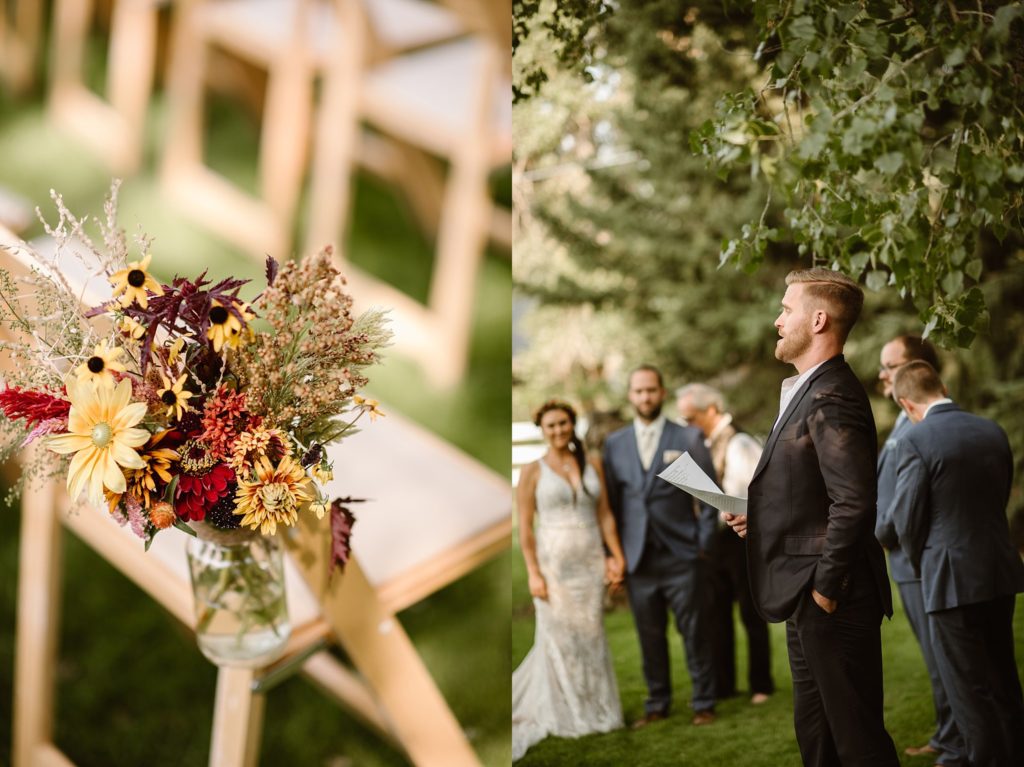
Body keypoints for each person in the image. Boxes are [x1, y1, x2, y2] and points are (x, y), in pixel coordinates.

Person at [723, 267, 899, 767]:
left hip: (833, 597)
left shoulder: (832, 395)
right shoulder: (809, 388)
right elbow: (814, 493)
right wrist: (762, 519)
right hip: (810, 595)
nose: (777, 320)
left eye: (786, 309)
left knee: (858, 743)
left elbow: (854, 502)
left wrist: (825, 589)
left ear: (818, 320)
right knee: (818, 741)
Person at [888, 361, 1024, 767]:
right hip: (998, 569)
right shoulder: (992, 430)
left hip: (948, 579)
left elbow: (906, 521)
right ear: (943, 387)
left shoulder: (914, 439)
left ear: (906, 404)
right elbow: (1000, 494)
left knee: (967, 690)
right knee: (1003, 678)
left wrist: (924, 562)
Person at [603, 365, 718, 728]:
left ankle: (704, 702)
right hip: (638, 558)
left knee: (695, 633)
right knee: (649, 636)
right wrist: (614, 554)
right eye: (638, 391)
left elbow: (710, 499)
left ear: (662, 393)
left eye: (651, 390)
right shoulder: (614, 444)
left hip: (682, 555)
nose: (645, 397)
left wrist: (703, 545)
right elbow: (611, 506)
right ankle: (657, 702)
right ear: (630, 396)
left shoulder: (687, 437)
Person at [512, 400, 627, 760]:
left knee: (591, 637)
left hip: (590, 562)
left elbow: (605, 515)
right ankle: (570, 712)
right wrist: (533, 572)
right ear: (542, 430)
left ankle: (599, 708)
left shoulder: (591, 463)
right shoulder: (532, 471)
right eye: (551, 425)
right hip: (554, 567)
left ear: (572, 424)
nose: (558, 430)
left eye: (563, 423)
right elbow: (525, 529)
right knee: (561, 639)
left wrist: (616, 555)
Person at [873, 335, 966, 765]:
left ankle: (956, 742)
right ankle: (948, 733)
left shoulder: (920, 423)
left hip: (918, 558)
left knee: (942, 655)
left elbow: (909, 501)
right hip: (906, 559)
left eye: (890, 366)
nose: (882, 375)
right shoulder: (902, 419)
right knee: (935, 656)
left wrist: (879, 534)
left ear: (916, 368)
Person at [676, 383, 774, 706]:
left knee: (751, 611)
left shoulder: (739, 442)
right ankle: (724, 684)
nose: (687, 425)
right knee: (716, 613)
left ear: (711, 410)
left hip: (741, 538)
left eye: (690, 417)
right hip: (714, 539)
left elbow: (755, 493)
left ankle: (761, 683)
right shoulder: (701, 444)